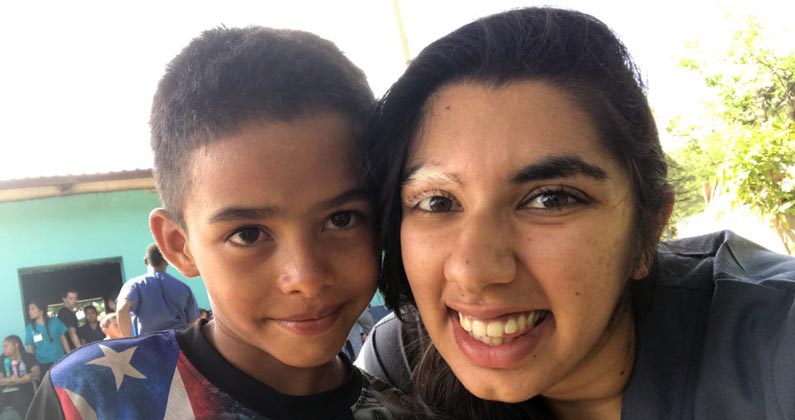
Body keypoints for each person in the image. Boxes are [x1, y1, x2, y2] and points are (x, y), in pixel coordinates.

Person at [359, 7, 795, 420]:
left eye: (550, 199)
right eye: (437, 202)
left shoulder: (774, 346)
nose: (473, 273)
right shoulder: (402, 361)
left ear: (648, 230)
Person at [26, 26, 411, 419]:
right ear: (179, 245)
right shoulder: (90, 398)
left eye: (340, 219)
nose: (306, 278)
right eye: (247, 234)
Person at [116, 243, 200, 336]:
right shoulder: (183, 288)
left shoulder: (134, 285)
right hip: (178, 343)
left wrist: (129, 341)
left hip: (148, 345)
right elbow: (192, 323)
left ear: (145, 261)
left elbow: (121, 309)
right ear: (167, 261)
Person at [24, 300, 68, 376]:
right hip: (43, 364)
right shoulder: (30, 328)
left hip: (60, 360)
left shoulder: (55, 321)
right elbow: (30, 349)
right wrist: (33, 366)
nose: (29, 312)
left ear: (41, 310)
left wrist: (69, 354)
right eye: (29, 309)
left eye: (33, 308)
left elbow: (63, 339)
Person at [0, 335, 39, 419]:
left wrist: (26, 377)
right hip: (6, 389)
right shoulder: (2, 358)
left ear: (16, 345)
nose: (4, 349)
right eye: (3, 347)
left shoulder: (28, 357)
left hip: (24, 388)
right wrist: (10, 380)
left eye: (6, 346)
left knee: (20, 399)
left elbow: (36, 373)